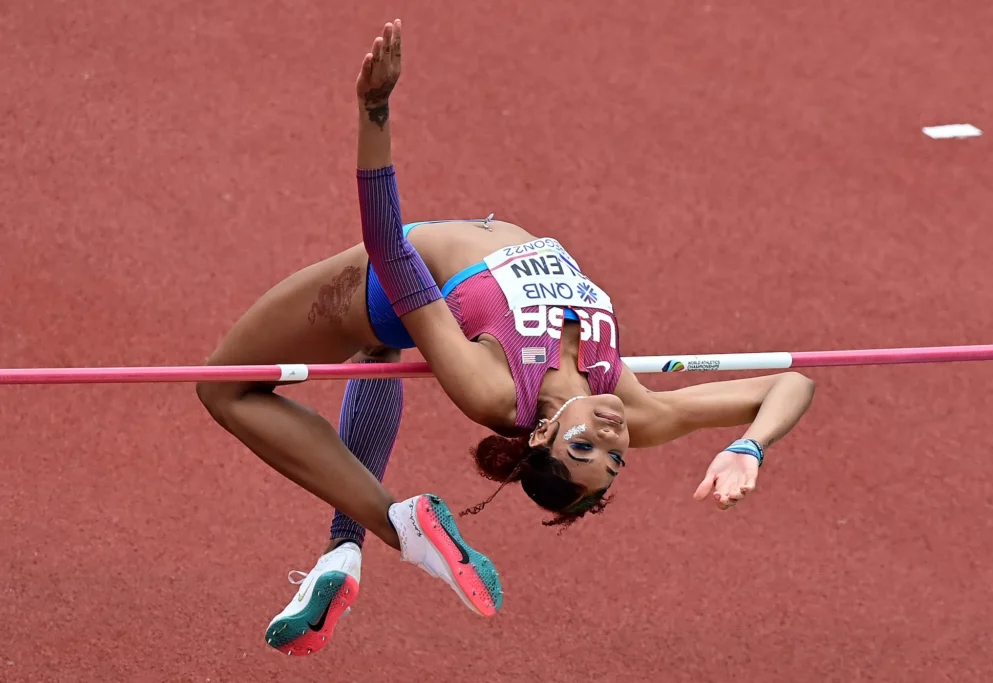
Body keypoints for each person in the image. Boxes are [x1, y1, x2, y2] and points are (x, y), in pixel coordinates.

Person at [196, 18, 816, 657]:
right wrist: (749, 448)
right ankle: (341, 553)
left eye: (585, 449)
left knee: (226, 388)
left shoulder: (496, 392)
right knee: (378, 356)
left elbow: (390, 247)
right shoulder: (628, 403)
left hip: (395, 280)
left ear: (543, 434)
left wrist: (375, 110)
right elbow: (790, 382)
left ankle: (399, 528)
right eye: (616, 456)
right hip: (441, 278)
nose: (611, 436)